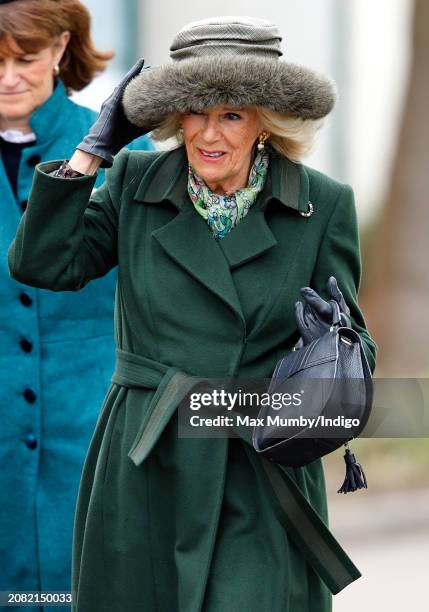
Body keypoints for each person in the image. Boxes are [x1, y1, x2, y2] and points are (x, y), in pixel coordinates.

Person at [9, 16, 376, 612]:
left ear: (264, 120)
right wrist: (89, 153)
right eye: (195, 111)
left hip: (259, 462)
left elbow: (355, 338)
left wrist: (330, 359)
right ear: (175, 115)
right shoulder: (133, 181)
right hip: (149, 457)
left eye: (231, 114)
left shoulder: (322, 204)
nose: (209, 133)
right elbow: (44, 265)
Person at [0, 0, 153, 603]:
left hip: (91, 433)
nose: (7, 77)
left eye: (24, 58)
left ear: (62, 49)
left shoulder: (126, 161)